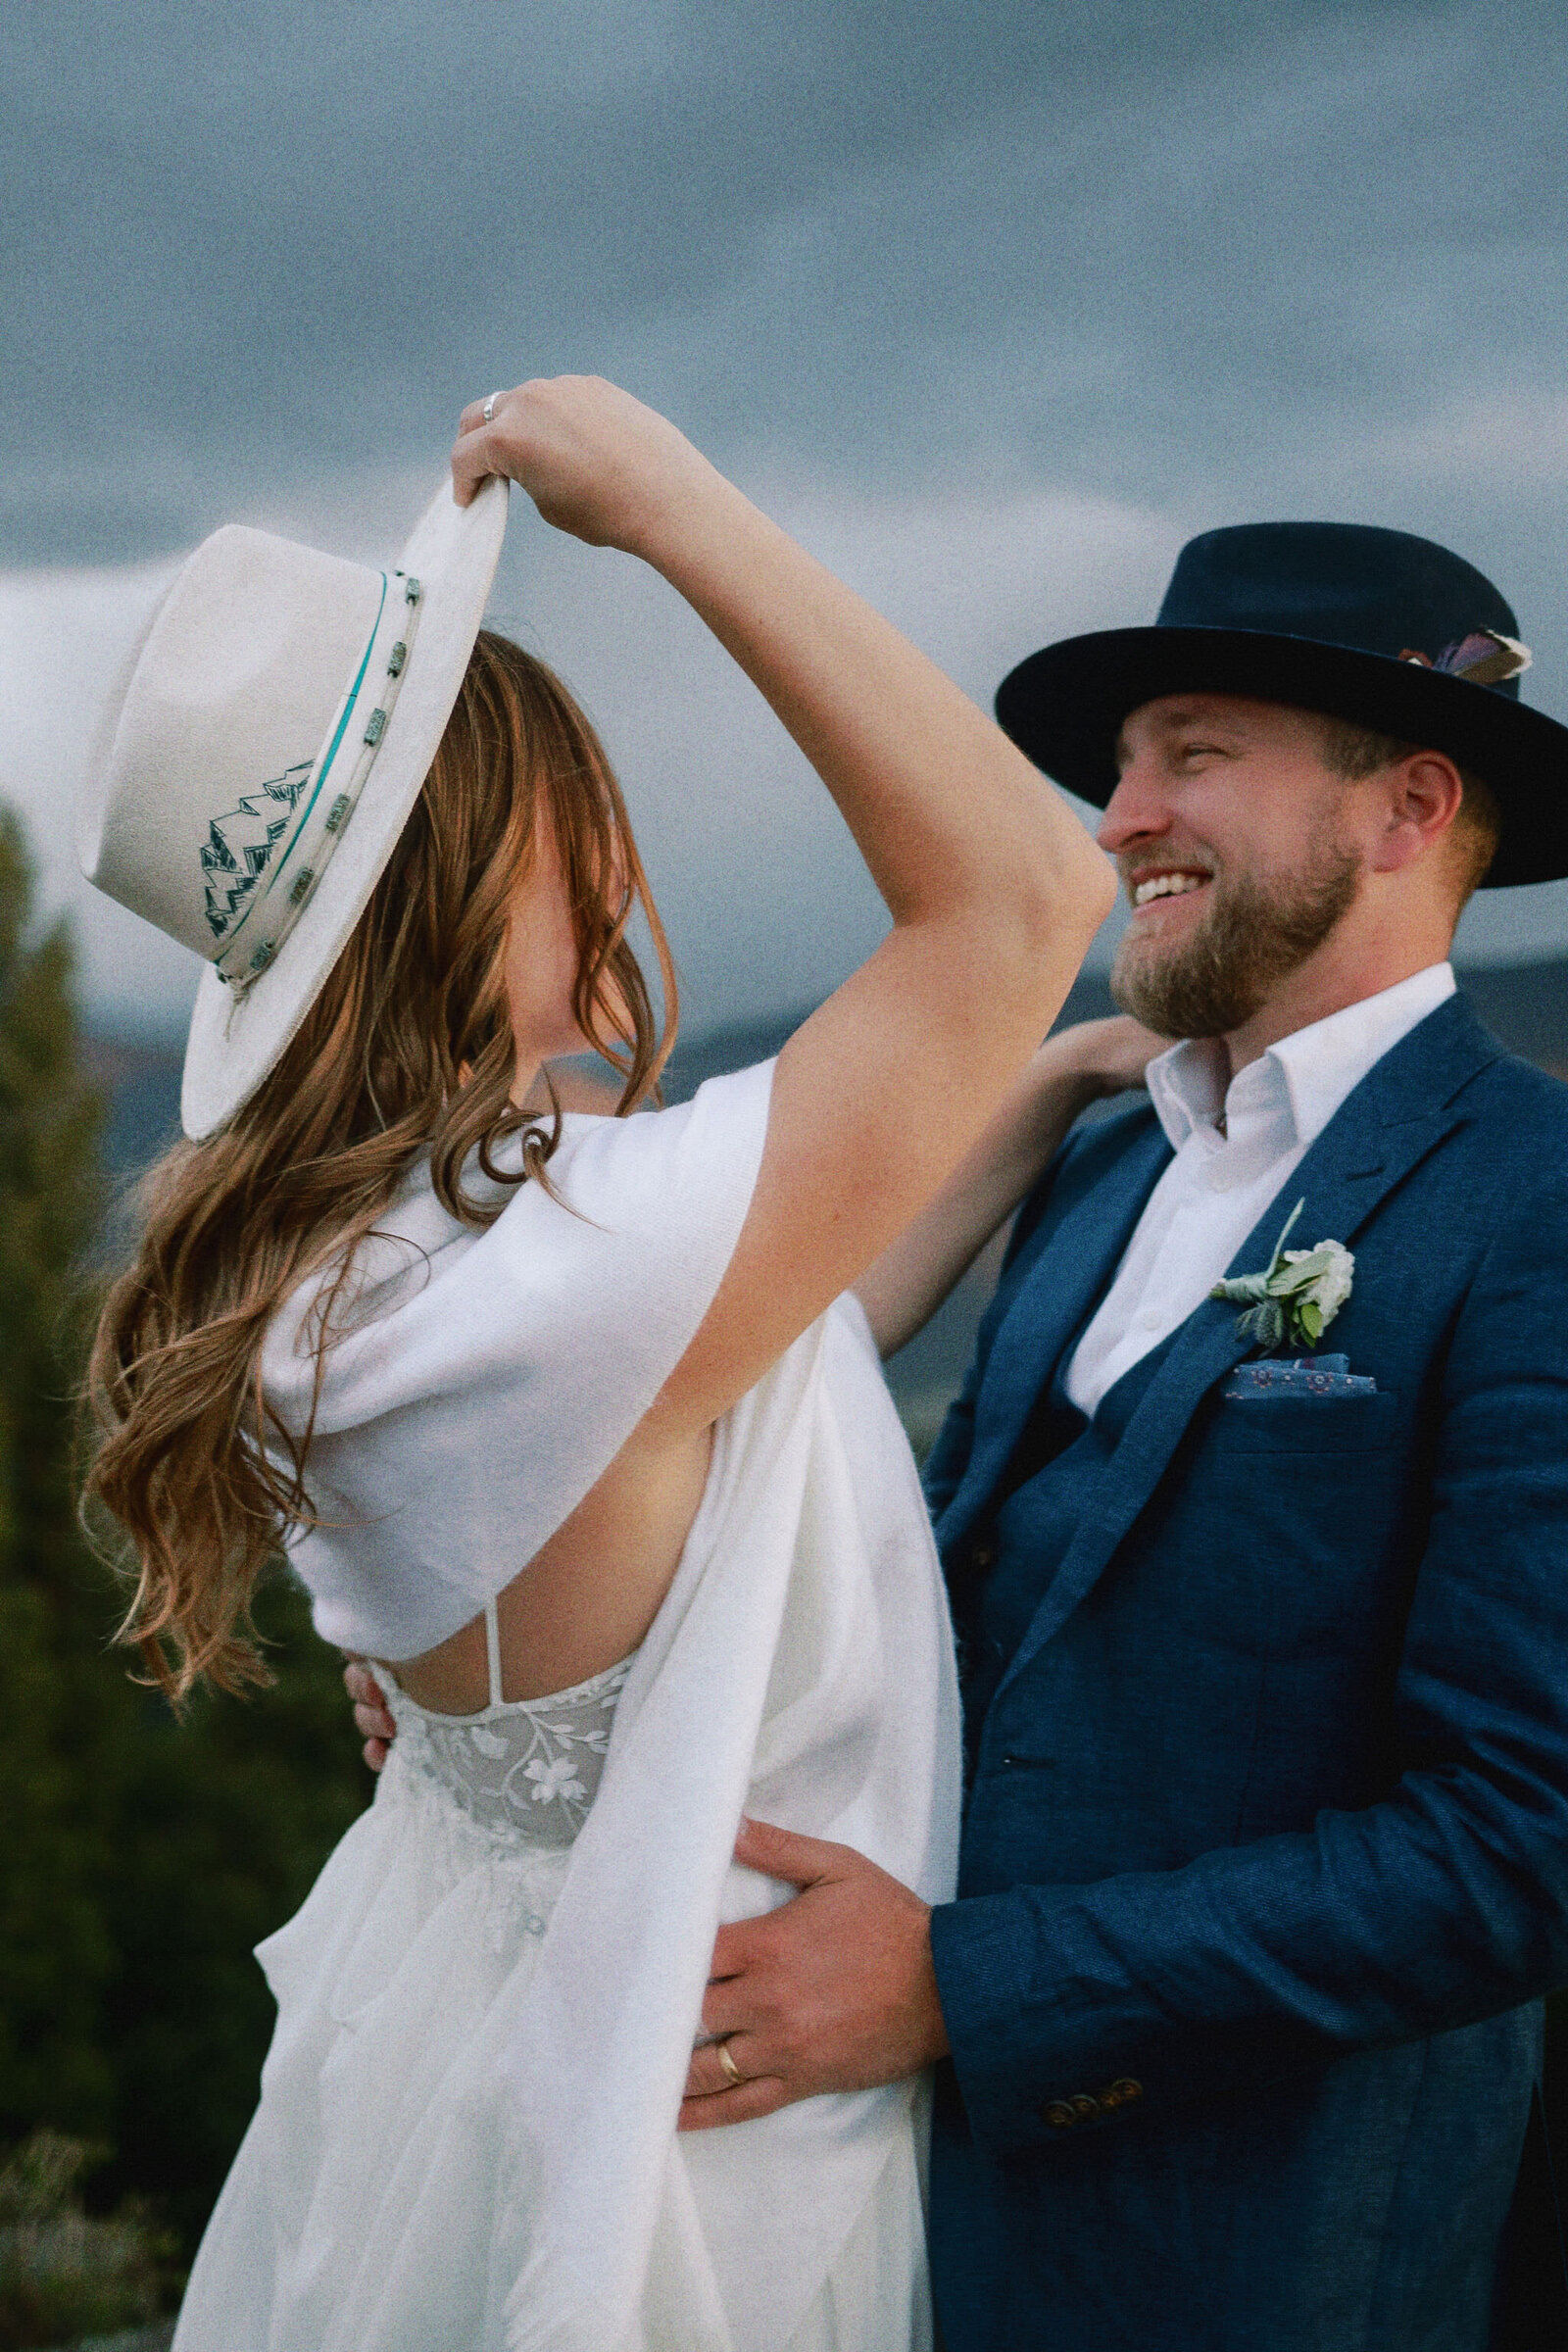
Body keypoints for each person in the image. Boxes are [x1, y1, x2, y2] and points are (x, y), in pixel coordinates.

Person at [78, 374, 1115, 2352]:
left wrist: (1049, 1081)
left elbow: (766, 1351)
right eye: (571, 795)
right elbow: (1020, 892)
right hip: (686, 2130)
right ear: (473, 866)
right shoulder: (567, 1262)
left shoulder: (371, 1256)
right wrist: (672, 507)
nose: (619, 837)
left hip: (449, 2048)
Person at [610, 520, 1568, 2351]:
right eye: (1122, 769)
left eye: (1190, 755)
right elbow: (923, 1563)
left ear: (1408, 807)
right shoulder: (1104, 1166)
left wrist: (962, 1991)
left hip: (1278, 2259)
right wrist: (568, 1650)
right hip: (923, 2219)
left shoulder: (1538, 1200)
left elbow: (1516, 1841)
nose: (1116, 820)